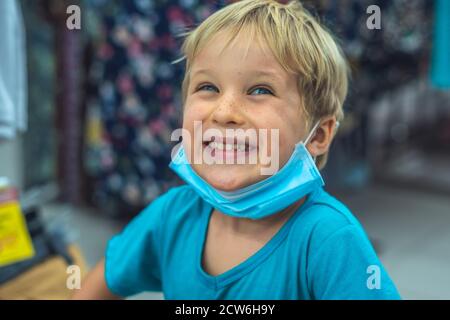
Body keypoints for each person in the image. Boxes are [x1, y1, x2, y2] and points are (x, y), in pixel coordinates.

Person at [73, 0, 400, 300]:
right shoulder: (173, 214)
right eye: (208, 87)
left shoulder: (328, 239)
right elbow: (100, 283)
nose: (224, 111)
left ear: (319, 135)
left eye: (260, 90)